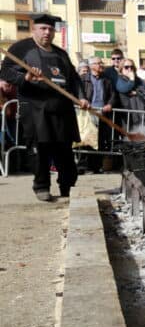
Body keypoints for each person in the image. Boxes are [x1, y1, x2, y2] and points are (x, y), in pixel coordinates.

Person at [0, 13, 89, 201]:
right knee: (40, 150)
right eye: (43, 28)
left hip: (62, 109)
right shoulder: (21, 48)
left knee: (64, 150)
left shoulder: (61, 54)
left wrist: (81, 98)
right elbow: (6, 71)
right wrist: (25, 78)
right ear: (34, 29)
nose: (47, 32)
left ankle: (67, 187)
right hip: (35, 109)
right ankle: (42, 187)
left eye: (50, 29)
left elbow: (73, 78)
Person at [80, 56, 118, 172]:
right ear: (91, 66)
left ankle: (95, 166)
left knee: (100, 140)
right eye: (98, 63)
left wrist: (110, 104)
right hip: (88, 112)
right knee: (86, 139)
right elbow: (78, 92)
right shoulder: (82, 79)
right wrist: (82, 99)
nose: (101, 65)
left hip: (102, 113)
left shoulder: (107, 80)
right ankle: (82, 166)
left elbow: (113, 95)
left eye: (101, 63)